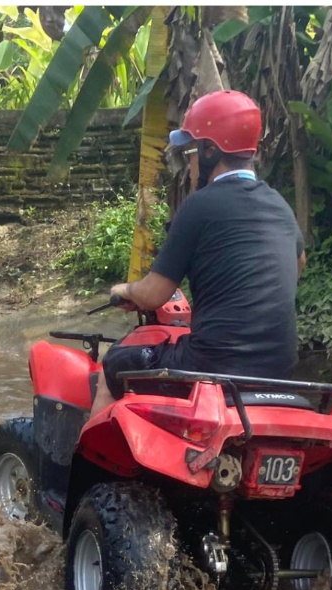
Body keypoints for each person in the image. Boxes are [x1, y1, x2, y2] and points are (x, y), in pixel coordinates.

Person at [97, 90, 306, 410]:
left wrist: (125, 290)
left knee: (112, 366)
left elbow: (152, 295)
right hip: (279, 371)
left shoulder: (199, 206)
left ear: (210, 151)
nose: (190, 165)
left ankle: (87, 445)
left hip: (210, 366)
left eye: (191, 153)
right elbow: (298, 263)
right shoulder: (279, 205)